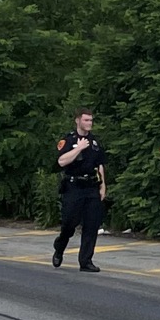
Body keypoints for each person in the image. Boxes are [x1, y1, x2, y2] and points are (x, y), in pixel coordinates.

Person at [53, 109, 108, 272]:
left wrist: (103, 185)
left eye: (91, 120)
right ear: (78, 121)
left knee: (91, 225)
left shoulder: (95, 142)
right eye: (86, 120)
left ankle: (86, 261)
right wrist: (79, 148)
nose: (89, 123)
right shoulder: (68, 140)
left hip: (91, 186)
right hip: (74, 187)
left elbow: (100, 165)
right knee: (69, 223)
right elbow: (61, 161)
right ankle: (60, 247)